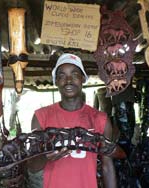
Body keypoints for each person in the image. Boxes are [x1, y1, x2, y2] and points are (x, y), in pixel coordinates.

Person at [27, 53, 117, 188]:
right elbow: (33, 167)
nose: (68, 80)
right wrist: (46, 156)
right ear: (56, 81)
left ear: (82, 79)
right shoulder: (41, 116)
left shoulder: (100, 119)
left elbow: (107, 166)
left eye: (74, 75)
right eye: (62, 76)